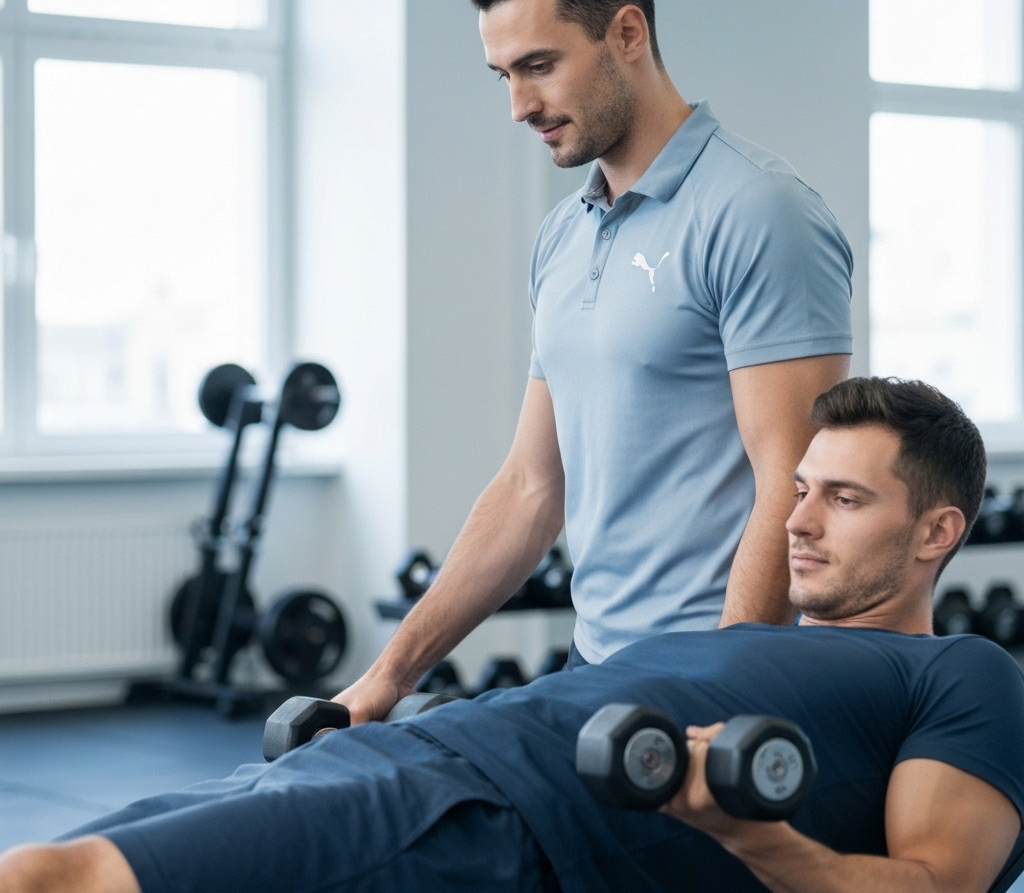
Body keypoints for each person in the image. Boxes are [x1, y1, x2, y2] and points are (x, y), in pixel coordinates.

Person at [4, 377, 1021, 893]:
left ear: (938, 530)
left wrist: (757, 834)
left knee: (62, 880)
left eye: (842, 499)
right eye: (797, 490)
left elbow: (934, 884)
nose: (796, 521)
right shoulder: (744, 633)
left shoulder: (962, 670)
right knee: (52, 860)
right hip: (398, 753)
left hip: (493, 814)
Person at [340, 0, 854, 722]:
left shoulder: (759, 211)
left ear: (627, 34)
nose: (519, 104)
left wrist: (721, 705)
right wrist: (390, 673)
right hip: (595, 665)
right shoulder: (563, 236)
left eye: (539, 65)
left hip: (706, 678)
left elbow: (789, 485)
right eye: (503, 74)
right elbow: (529, 488)